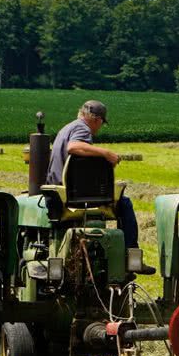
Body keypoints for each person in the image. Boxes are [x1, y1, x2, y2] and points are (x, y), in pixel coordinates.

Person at [48, 100, 152, 273]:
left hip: (58, 194)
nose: (100, 127)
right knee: (125, 204)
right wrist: (106, 154)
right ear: (97, 119)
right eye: (102, 123)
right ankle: (131, 254)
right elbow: (74, 147)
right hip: (74, 197)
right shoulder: (83, 129)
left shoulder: (67, 128)